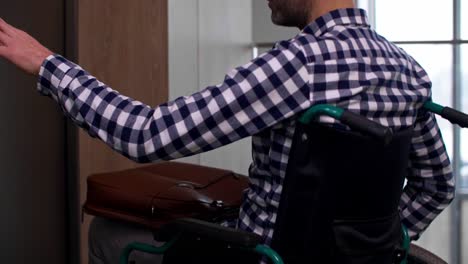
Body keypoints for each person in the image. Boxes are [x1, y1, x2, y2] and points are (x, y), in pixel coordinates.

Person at [0, 0, 454, 263]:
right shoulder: (409, 72)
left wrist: (48, 64)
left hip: (259, 256)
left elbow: (145, 135)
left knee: (106, 234)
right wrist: (368, 253)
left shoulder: (295, 64)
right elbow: (436, 185)